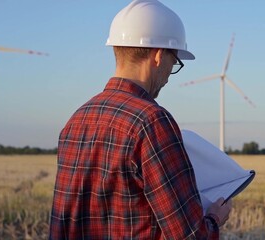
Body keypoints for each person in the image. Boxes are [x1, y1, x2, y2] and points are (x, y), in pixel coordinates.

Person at [49, 0, 232, 239]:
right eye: (174, 62)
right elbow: (189, 235)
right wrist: (215, 217)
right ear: (158, 56)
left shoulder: (77, 120)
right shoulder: (151, 122)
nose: (169, 74)